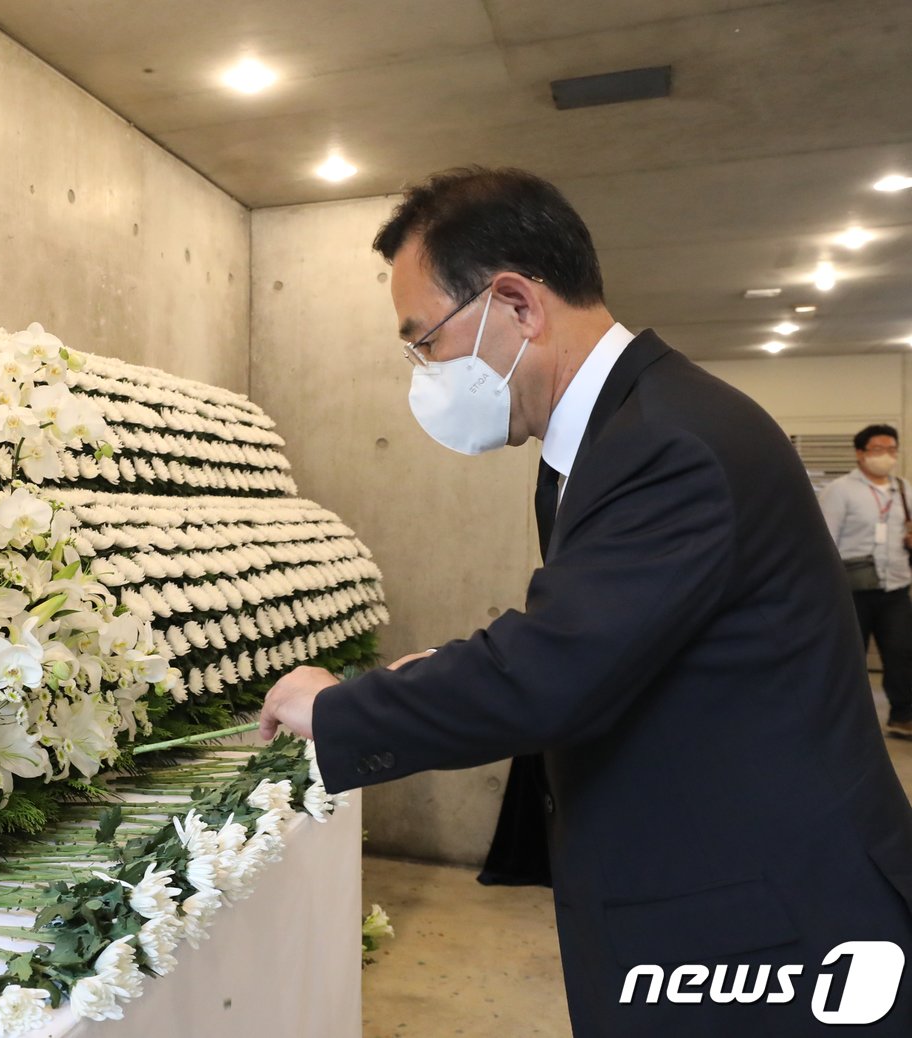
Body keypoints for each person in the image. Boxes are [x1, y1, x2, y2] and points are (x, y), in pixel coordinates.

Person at [258, 168, 912, 1035]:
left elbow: (551, 673)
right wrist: (445, 670)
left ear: (517, 304)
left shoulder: (667, 442)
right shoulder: (610, 436)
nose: (423, 373)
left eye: (425, 342)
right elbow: (606, 631)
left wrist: (340, 709)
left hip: (766, 914)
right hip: (710, 883)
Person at [819, 424, 912, 738]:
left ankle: (902, 716)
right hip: (852, 590)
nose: (886, 455)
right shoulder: (840, 490)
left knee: (902, 653)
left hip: (895, 586)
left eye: (891, 449)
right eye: (878, 449)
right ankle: (843, 721)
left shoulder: (904, 489)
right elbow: (826, 540)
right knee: (848, 655)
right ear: (860, 453)